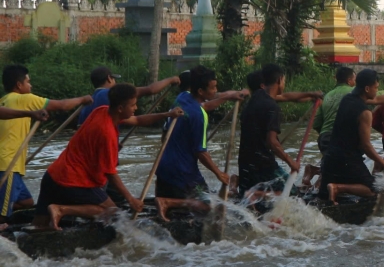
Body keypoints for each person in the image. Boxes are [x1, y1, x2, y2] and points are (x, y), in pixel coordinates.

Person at [33, 83, 183, 231]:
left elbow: (138, 120)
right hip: (74, 181)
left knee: (39, 227)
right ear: (120, 108)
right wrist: (131, 199)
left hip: (53, 175)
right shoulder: (107, 134)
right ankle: (61, 210)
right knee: (113, 212)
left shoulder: (102, 110)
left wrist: (167, 115)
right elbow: (110, 173)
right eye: (133, 105)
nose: (135, 108)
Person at [153, 67, 247, 219]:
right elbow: (201, 152)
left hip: (163, 166)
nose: (216, 90)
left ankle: (169, 203)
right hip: (183, 172)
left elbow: (207, 103)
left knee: (202, 198)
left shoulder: (183, 97)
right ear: (201, 91)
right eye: (213, 87)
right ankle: (167, 202)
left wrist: (229, 96)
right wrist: (219, 174)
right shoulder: (199, 116)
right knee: (211, 205)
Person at [0, 65, 92, 218]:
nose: (31, 85)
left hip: (8, 162)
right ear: (19, 85)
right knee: (2, 216)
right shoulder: (25, 99)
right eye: (28, 82)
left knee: (26, 202)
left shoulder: (4, 101)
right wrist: (83, 99)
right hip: (8, 163)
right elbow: (62, 105)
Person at [236, 64, 323, 198]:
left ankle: (251, 194)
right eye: (284, 80)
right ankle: (255, 194)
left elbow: (287, 97)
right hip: (264, 164)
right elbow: (272, 142)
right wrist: (291, 162)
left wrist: (311, 95)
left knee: (254, 200)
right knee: (292, 194)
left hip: (245, 163)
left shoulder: (254, 99)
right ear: (279, 80)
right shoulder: (272, 107)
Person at [319, 69, 384, 204]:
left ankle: (333, 190)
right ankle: (337, 188)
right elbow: (366, 146)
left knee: (323, 198)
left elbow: (377, 99)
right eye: (376, 88)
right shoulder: (365, 113)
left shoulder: (346, 99)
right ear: (367, 88)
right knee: (375, 190)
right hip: (348, 159)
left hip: (330, 157)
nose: (377, 90)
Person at [77, 66, 179, 126]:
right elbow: (150, 90)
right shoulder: (112, 94)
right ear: (109, 78)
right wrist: (171, 80)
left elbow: (135, 120)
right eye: (114, 79)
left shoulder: (87, 104)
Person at [315, 67, 356, 153]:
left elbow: (316, 124)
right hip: (343, 138)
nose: (355, 83)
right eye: (354, 80)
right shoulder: (354, 92)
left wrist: (326, 133)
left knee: (329, 164)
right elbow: (376, 96)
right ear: (349, 80)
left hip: (324, 138)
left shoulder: (327, 96)